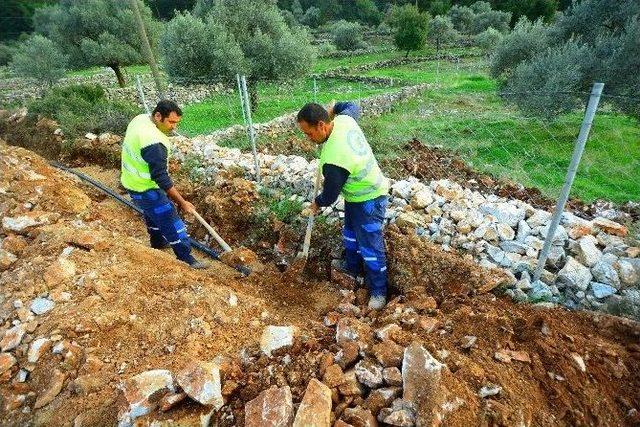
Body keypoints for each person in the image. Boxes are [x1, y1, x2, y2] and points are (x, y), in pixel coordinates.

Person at [297, 101, 390, 309]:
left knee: (370, 247)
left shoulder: (334, 158)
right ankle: (353, 268)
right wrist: (335, 107)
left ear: (321, 125)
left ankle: (378, 292)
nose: (309, 139)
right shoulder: (344, 120)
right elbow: (352, 106)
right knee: (350, 235)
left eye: (309, 134)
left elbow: (329, 196)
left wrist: (317, 203)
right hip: (356, 197)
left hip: (370, 199)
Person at [120, 100, 207, 269]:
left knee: (152, 213)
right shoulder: (154, 143)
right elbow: (161, 177)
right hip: (145, 187)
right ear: (158, 116)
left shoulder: (141, 119)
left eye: (177, 122)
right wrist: (183, 203)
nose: (174, 127)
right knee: (171, 221)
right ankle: (187, 258)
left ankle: (158, 242)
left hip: (131, 182)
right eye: (171, 122)